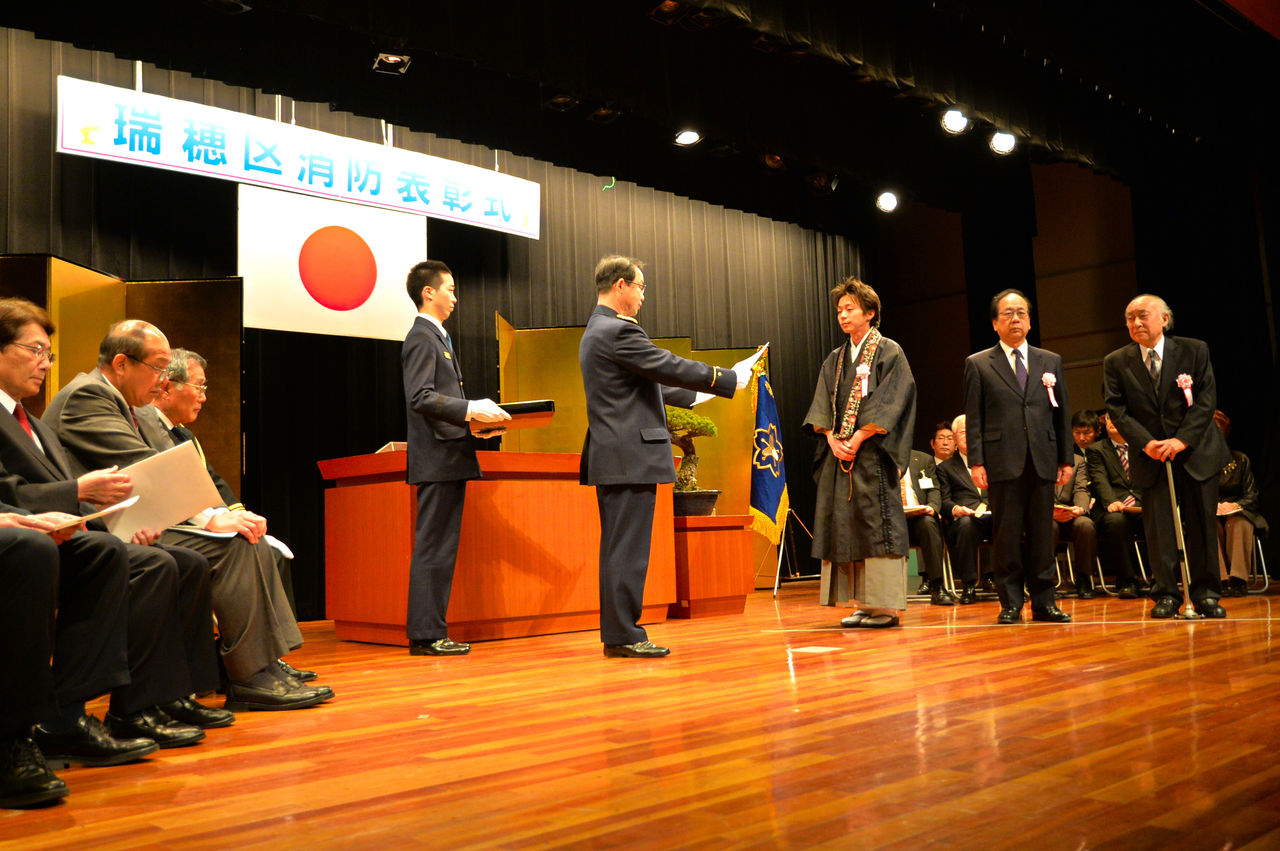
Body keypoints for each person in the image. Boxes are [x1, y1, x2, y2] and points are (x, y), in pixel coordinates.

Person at [43, 320, 331, 709]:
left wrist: (221, 516)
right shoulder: (89, 395)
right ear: (122, 363)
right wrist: (211, 519)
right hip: (87, 530)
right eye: (158, 367)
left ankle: (247, 671)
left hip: (129, 523)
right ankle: (249, 677)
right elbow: (144, 466)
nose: (163, 380)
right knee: (232, 548)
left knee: (240, 544)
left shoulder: (123, 403)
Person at [0, 298, 226, 742]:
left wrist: (120, 525)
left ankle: (160, 696)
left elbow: (74, 497)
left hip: (66, 531)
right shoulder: (83, 397)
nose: (45, 363)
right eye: (34, 350)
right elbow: (12, 491)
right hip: (28, 533)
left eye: (49, 354)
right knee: (135, 559)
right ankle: (73, 715)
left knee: (178, 561)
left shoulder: (36, 425)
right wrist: (79, 494)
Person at [579, 255, 747, 657]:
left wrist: (702, 393)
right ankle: (623, 635)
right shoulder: (618, 330)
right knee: (628, 551)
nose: (642, 296)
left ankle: (620, 632)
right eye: (640, 287)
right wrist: (724, 377)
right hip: (629, 457)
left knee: (621, 549)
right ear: (620, 285)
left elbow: (649, 381)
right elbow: (665, 364)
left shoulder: (597, 329)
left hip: (617, 455)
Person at [401, 260, 509, 656]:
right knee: (434, 547)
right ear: (428, 292)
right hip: (437, 460)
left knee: (441, 548)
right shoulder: (422, 336)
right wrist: (470, 408)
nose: (455, 297)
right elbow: (420, 397)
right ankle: (426, 635)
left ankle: (431, 631)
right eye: (449, 289)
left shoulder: (437, 336)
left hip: (448, 455)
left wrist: (476, 424)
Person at [1103, 294, 1230, 618]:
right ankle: (1166, 593)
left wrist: (1181, 440)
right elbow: (1117, 409)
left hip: (1196, 450)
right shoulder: (1116, 361)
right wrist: (1146, 443)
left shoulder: (1194, 349)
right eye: (1130, 318)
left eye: (1142, 315)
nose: (1136, 323)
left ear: (1164, 318)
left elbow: (1206, 399)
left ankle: (1206, 594)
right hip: (1151, 455)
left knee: (1202, 525)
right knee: (1158, 528)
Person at [804, 278, 916, 629]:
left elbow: (894, 399)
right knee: (846, 526)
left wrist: (861, 435)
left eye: (850, 309)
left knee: (876, 525)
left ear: (870, 312)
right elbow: (822, 404)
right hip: (841, 455)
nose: (843, 315)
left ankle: (885, 606)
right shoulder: (835, 359)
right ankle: (862, 604)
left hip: (873, 456)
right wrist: (832, 438)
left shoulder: (889, 351)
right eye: (839, 310)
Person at [963, 289, 1074, 625]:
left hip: (1043, 458)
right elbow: (975, 417)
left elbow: (1061, 413)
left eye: (1021, 313)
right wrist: (977, 462)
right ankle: (1010, 602)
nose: (1015, 319)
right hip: (1001, 461)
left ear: (1029, 320)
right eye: (1008, 313)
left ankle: (1044, 602)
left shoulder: (1050, 360)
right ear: (995, 323)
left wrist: (1066, 458)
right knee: (1007, 535)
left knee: (1042, 534)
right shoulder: (978, 363)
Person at [1085, 413, 1144, 598]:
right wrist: (1111, 501)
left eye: (1115, 417)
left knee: (1158, 518)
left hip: (1141, 504)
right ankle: (1127, 580)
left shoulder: (1142, 446)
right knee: (1116, 521)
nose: (1111, 422)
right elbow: (1099, 479)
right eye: (1108, 419)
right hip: (1111, 506)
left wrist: (1142, 502)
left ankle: (1161, 579)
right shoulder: (1096, 449)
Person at [1212, 410, 1267, 597]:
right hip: (1210, 512)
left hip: (1238, 511)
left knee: (1239, 522)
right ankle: (1219, 579)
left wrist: (1235, 506)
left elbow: (1252, 496)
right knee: (1208, 525)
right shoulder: (1198, 462)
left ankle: (1238, 580)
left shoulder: (1240, 459)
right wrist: (1213, 506)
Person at [936, 414, 990, 605]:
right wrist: (956, 509)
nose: (970, 435)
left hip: (992, 516)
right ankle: (969, 585)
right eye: (965, 432)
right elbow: (943, 500)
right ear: (955, 438)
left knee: (1011, 522)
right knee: (967, 525)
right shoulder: (945, 468)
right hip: (965, 520)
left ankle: (1011, 583)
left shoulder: (993, 462)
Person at [904, 448, 951, 605]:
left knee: (929, 524)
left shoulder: (923, 459)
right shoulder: (878, 457)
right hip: (890, 518)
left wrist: (932, 507)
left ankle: (937, 586)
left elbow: (934, 489)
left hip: (917, 516)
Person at [1053, 452, 1097, 598]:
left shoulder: (1077, 460)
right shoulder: (1034, 457)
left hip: (1070, 512)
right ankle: (1044, 581)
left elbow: (1081, 489)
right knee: (1048, 527)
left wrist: (1080, 508)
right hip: (1044, 514)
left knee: (1085, 525)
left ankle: (1084, 578)